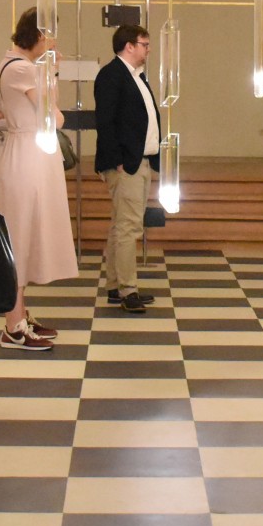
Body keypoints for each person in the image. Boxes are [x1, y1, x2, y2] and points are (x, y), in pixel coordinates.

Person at [0, 9, 78, 350]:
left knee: (24, 237)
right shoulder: (22, 68)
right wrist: (51, 74)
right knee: (20, 238)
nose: (52, 44)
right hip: (27, 159)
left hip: (28, 155)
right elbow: (53, 117)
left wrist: (49, 73)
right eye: (50, 37)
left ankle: (19, 315)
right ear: (38, 35)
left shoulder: (17, 64)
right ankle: (14, 325)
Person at [93, 23, 160, 312]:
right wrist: (117, 159)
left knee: (121, 224)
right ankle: (127, 290)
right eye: (145, 44)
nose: (148, 49)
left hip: (139, 160)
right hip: (126, 164)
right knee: (129, 227)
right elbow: (105, 121)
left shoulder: (136, 76)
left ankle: (114, 286)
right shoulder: (112, 75)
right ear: (129, 46)